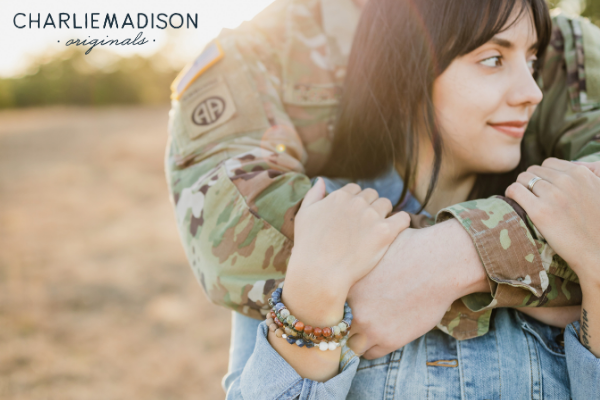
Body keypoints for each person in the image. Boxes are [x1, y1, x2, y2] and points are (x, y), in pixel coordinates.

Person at [165, 0, 600, 359]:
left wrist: (457, 257)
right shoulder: (260, 49)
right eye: (491, 59)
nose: (531, 91)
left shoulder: (562, 42)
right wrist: (556, 277)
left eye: (532, 62)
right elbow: (230, 230)